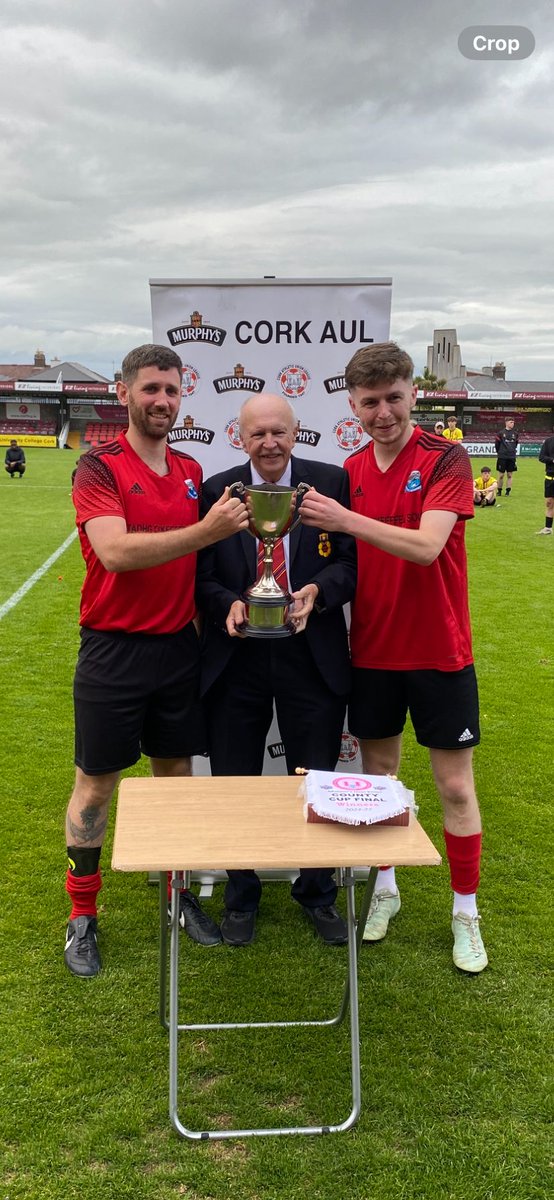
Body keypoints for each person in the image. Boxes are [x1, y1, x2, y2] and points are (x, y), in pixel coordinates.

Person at [300, 342, 488, 974]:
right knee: (379, 784)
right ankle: (385, 890)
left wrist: (346, 520)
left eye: (393, 398)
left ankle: (466, 911)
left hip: (439, 651)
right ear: (352, 405)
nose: (383, 412)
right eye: (370, 402)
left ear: (414, 393)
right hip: (374, 652)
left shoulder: (446, 457)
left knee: (454, 786)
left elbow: (428, 547)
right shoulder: (349, 469)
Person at [64, 344, 248, 977]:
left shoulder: (192, 469)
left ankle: (176, 895)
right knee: (96, 786)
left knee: (175, 778)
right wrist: (209, 532)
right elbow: (115, 554)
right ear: (123, 394)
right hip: (113, 649)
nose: (162, 401)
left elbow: (195, 566)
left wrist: (223, 601)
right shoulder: (98, 467)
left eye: (171, 390)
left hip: (178, 649)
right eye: (150, 390)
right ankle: (82, 916)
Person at [196, 393, 357, 947]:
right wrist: (226, 605)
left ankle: (317, 892)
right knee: (234, 782)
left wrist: (317, 591)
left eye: (278, 433)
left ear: (297, 433)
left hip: (311, 654)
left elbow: (349, 564)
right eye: (257, 434)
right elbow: (201, 573)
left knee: (316, 778)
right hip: (235, 656)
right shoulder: (218, 489)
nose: (269, 443)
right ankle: (241, 896)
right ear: (240, 437)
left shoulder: (330, 482)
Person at [495, 417, 519, 496]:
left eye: (513, 422)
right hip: (502, 456)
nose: (512, 424)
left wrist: (511, 451)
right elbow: (497, 445)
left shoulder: (515, 433)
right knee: (501, 475)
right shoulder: (500, 433)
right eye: (511, 422)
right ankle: (499, 490)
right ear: (506, 423)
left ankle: (508, 491)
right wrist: (500, 452)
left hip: (511, 457)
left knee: (510, 475)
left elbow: (516, 444)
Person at [536, 431, 554, 534]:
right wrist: (552, 460)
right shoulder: (548, 442)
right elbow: (541, 457)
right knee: (549, 503)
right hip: (550, 478)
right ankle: (548, 528)